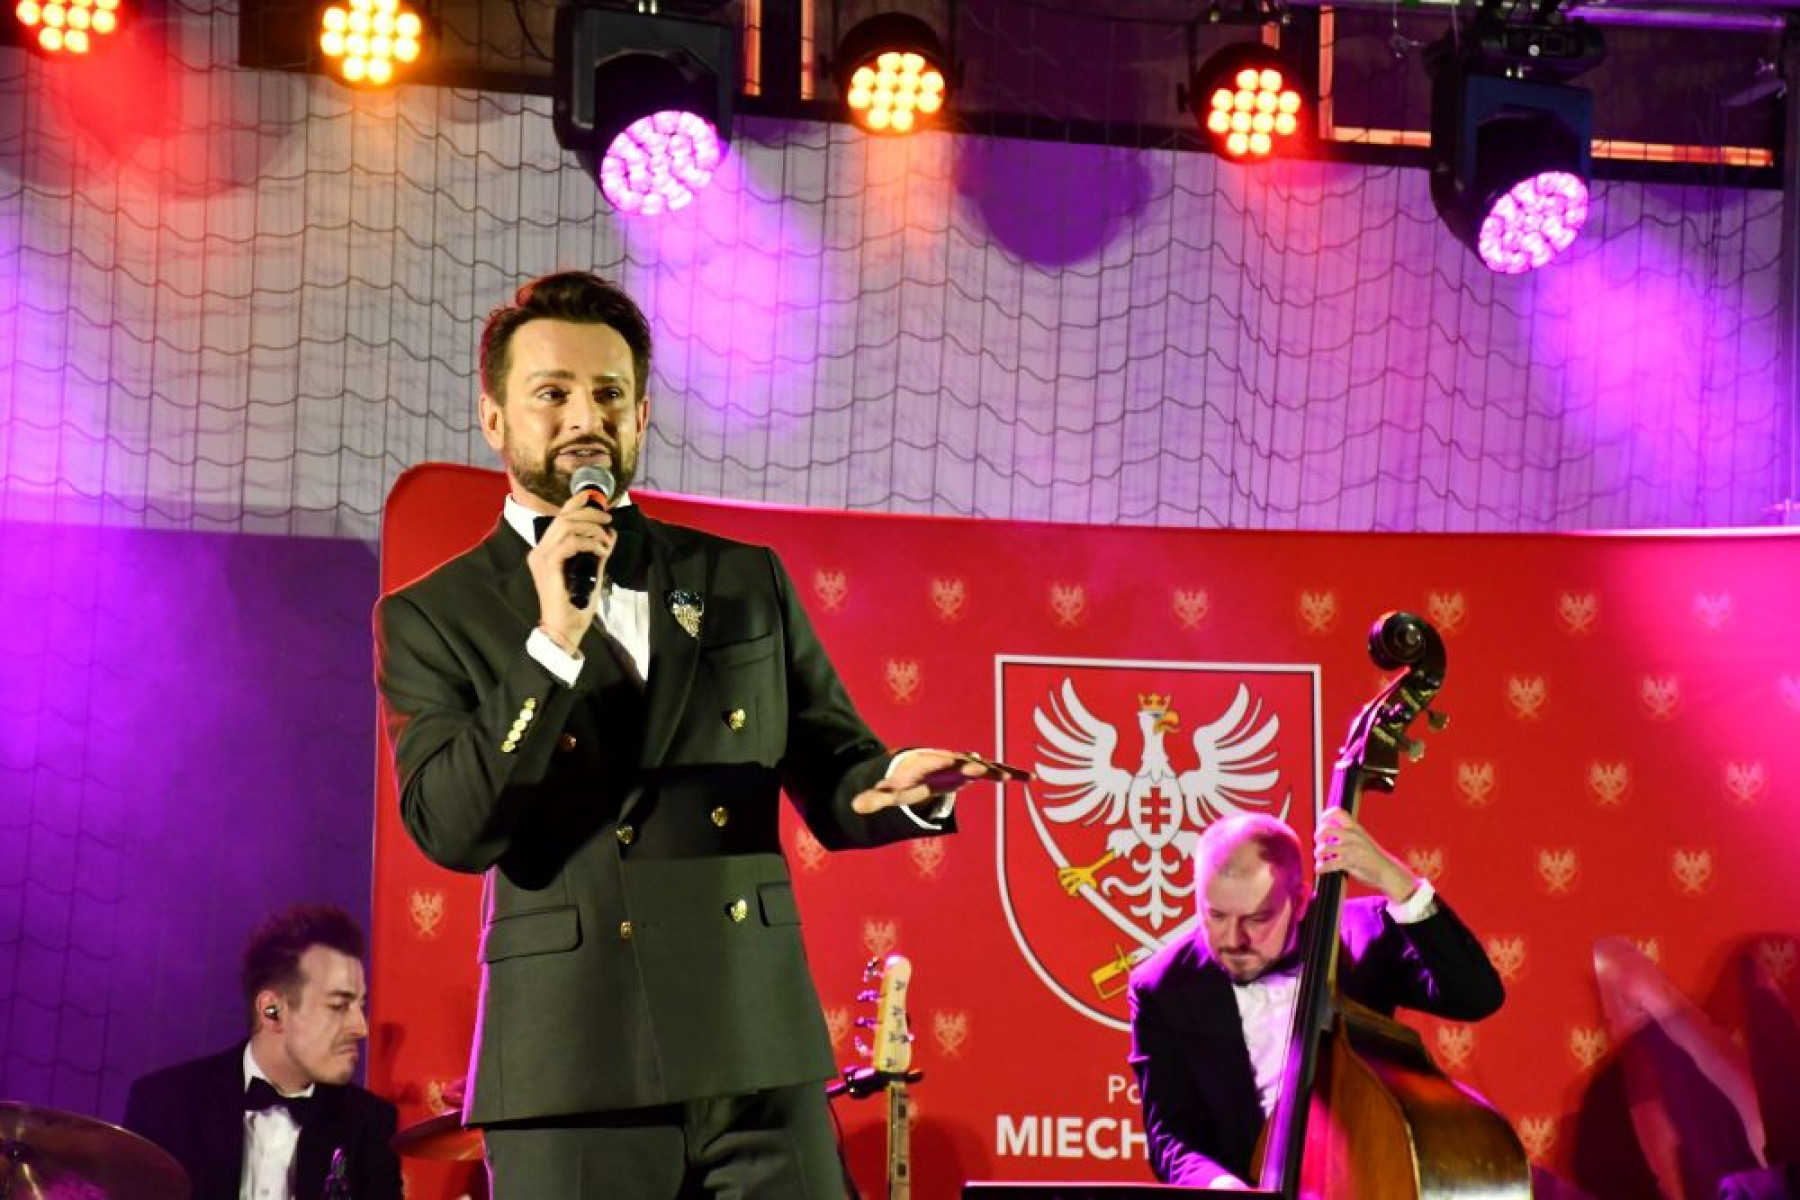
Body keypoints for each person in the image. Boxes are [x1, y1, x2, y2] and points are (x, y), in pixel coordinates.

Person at [374, 270, 988, 1197]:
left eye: (609, 394)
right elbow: (452, 828)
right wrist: (551, 642)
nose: (586, 417)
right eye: (553, 393)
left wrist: (893, 782)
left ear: (643, 415)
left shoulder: (741, 578)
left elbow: (834, 765)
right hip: (572, 1058)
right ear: (493, 417)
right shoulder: (434, 613)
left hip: (754, 1038)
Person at [1127, 810, 1505, 1190]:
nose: (1233, 939)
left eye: (1258, 919)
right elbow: (1171, 1135)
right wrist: (1222, 1188)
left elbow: (1476, 996)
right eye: (1216, 915)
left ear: (1301, 901)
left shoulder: (1366, 932)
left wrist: (1397, 882)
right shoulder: (1161, 986)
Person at [124, 904, 401, 1200]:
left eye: (360, 1006)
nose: (361, 1028)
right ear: (272, 1011)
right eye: (338, 1005)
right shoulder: (165, 1104)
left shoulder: (370, 1124)